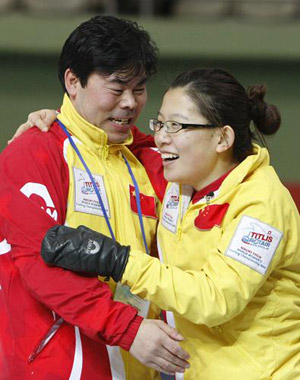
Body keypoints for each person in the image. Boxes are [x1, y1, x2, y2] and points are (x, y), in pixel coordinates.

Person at [23, 67, 300, 379]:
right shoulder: (178, 183)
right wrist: (59, 124)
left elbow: (215, 299)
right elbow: (114, 143)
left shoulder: (262, 202)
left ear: (223, 137)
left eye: (177, 125)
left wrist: (120, 261)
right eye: (161, 123)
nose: (161, 137)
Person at [0, 15, 191, 380]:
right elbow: (40, 267)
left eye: (139, 89)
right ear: (73, 82)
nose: (130, 103)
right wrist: (128, 329)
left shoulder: (154, 159)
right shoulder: (33, 154)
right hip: (59, 368)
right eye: (117, 88)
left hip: (142, 366)